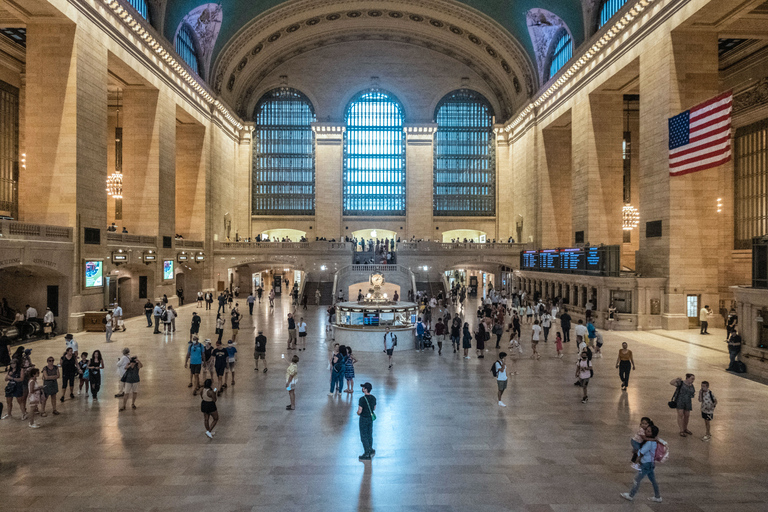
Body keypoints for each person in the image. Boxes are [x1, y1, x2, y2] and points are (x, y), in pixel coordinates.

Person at [621, 425, 663, 503]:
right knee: (653, 480)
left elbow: (641, 452)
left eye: (649, 431)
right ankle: (657, 496)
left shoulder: (649, 443)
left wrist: (636, 453)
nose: (646, 431)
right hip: (651, 464)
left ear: (653, 433)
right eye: (647, 430)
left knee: (637, 480)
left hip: (646, 464)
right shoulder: (654, 442)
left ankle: (631, 495)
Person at [357, 382, 377, 460]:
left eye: (363, 388)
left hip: (363, 419)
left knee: (363, 435)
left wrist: (358, 413)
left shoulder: (362, 399)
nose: (362, 389)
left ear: (365, 390)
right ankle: (370, 449)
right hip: (370, 418)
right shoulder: (373, 398)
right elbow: (374, 408)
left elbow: (360, 410)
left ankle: (367, 453)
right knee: (369, 434)